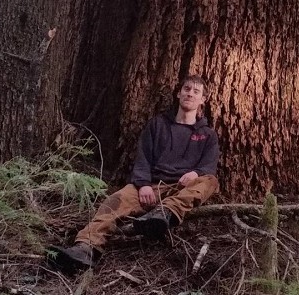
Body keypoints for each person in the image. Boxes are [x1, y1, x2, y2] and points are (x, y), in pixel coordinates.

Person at [48, 74, 219, 272]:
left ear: (203, 99)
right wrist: (143, 183)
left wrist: (196, 173)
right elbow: (143, 157)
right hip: (151, 185)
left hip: (182, 187)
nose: (190, 94)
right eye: (187, 89)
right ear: (179, 93)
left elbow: (209, 166)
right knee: (113, 202)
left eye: (196, 91)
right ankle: (85, 248)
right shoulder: (158, 125)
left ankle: (164, 214)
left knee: (210, 181)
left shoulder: (207, 134)